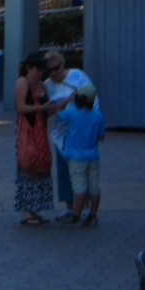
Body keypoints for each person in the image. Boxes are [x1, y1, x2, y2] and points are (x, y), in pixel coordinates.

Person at [44, 50, 99, 223]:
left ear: (62, 64)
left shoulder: (77, 76)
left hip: (81, 131)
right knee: (64, 169)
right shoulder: (48, 84)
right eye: (50, 70)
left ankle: (84, 207)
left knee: (83, 170)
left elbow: (92, 98)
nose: (54, 73)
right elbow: (48, 109)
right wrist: (64, 102)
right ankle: (69, 207)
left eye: (57, 68)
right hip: (62, 132)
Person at [14, 52, 57, 226]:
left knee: (40, 166)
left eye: (42, 70)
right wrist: (43, 107)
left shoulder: (42, 86)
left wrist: (59, 105)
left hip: (40, 131)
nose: (40, 73)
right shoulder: (22, 83)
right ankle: (26, 211)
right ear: (29, 68)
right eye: (37, 70)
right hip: (28, 131)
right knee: (27, 165)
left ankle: (34, 209)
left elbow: (47, 111)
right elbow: (20, 107)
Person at [55, 82, 105, 228]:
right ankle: (93, 216)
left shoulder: (71, 114)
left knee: (79, 187)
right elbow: (101, 136)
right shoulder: (97, 116)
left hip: (76, 158)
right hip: (93, 156)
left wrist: (66, 100)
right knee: (94, 187)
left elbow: (57, 113)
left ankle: (76, 216)